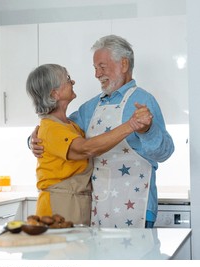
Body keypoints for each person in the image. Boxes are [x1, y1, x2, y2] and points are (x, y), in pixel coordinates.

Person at [29, 35, 174, 228]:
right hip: (98, 209)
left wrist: (147, 130)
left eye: (102, 67)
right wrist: (32, 141)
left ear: (123, 64)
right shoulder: (91, 107)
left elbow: (165, 152)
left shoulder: (144, 100)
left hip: (136, 205)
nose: (97, 74)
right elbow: (57, 130)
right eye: (95, 68)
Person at [26, 63, 152, 226]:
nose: (73, 82)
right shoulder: (51, 128)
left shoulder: (70, 124)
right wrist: (131, 125)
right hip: (60, 205)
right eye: (68, 79)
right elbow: (87, 148)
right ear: (55, 93)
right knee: (63, 250)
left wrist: (31, 141)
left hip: (77, 201)